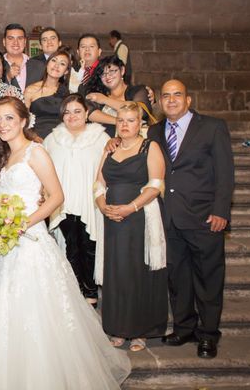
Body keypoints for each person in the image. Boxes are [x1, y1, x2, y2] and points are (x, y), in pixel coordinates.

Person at [0, 96, 131, 390]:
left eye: (9, 118)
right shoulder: (4, 156)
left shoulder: (35, 152)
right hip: (6, 247)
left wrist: (25, 222)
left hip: (31, 243)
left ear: (24, 121)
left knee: (38, 314)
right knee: (5, 314)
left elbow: (58, 196)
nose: (2, 124)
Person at [149, 79, 234, 359]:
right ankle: (184, 327)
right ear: (160, 102)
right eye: (166, 96)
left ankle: (208, 334)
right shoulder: (154, 131)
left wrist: (221, 210)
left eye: (177, 95)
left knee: (208, 278)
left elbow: (225, 173)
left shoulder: (212, 127)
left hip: (204, 217)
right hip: (169, 217)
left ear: (188, 100)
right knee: (178, 278)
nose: (171, 100)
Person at [95, 102, 167, 352]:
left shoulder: (150, 147)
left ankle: (140, 332)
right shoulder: (109, 148)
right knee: (116, 273)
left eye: (130, 120)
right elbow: (98, 183)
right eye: (121, 121)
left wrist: (131, 208)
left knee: (138, 272)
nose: (125, 125)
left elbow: (156, 184)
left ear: (140, 124)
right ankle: (117, 328)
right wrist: (103, 206)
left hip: (139, 218)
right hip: (112, 220)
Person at [44, 94, 110, 308]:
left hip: (90, 201)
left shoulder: (101, 138)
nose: (72, 116)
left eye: (77, 111)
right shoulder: (52, 139)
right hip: (62, 203)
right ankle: (75, 290)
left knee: (90, 244)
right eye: (67, 112)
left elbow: (110, 169)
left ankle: (90, 292)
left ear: (87, 113)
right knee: (71, 246)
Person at [85, 55, 153, 137]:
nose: (107, 76)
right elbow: (89, 113)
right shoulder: (99, 93)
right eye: (103, 74)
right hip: (106, 142)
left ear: (122, 70)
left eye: (112, 71)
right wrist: (118, 121)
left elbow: (140, 111)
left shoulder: (138, 90)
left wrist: (105, 100)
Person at [24, 48, 71, 139]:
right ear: (47, 64)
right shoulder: (31, 90)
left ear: (66, 71)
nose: (56, 66)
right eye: (54, 61)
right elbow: (23, 120)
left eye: (62, 64)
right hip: (36, 137)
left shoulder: (65, 92)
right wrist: (33, 136)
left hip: (61, 138)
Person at [2, 23, 43, 92]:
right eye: (11, 38)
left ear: (25, 42)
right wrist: (8, 77)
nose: (15, 42)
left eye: (20, 38)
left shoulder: (39, 66)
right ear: (4, 42)